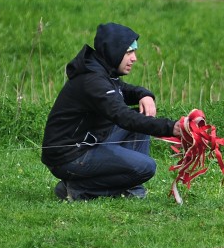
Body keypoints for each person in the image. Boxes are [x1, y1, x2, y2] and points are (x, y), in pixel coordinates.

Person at [41, 23, 183, 201]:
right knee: (146, 167)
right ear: (114, 50)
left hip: (86, 144)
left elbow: (123, 89)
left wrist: (144, 95)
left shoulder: (102, 70)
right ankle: (77, 189)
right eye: (129, 52)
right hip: (68, 157)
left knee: (140, 119)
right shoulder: (93, 81)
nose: (134, 58)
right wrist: (172, 128)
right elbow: (123, 117)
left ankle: (130, 186)